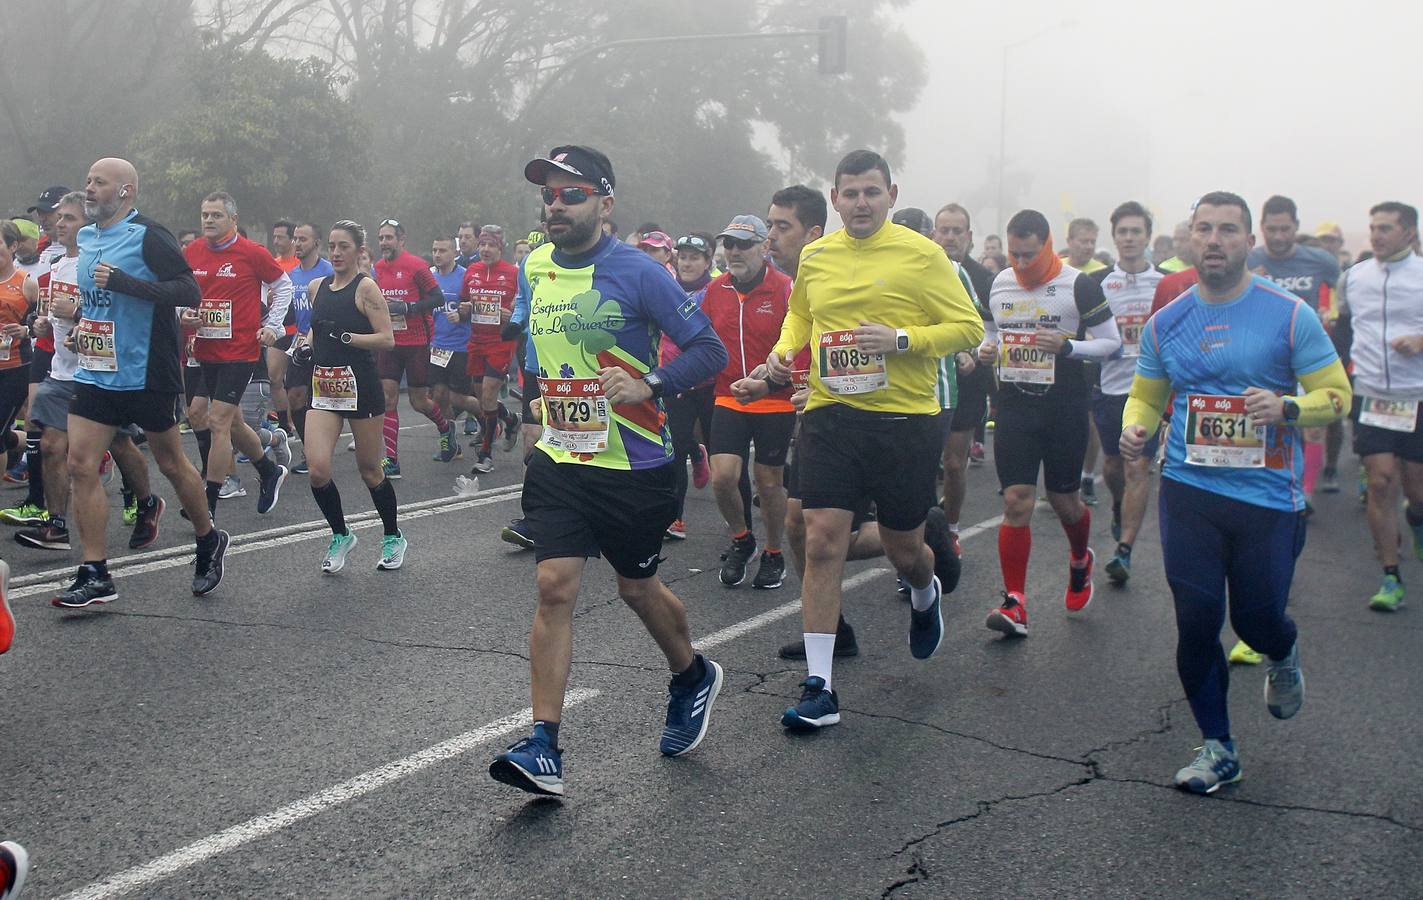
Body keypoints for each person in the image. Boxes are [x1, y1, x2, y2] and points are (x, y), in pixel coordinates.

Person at [489, 145, 729, 797]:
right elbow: (542, 344)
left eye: (572, 194)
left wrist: (647, 382)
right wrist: (540, 394)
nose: (556, 205)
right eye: (548, 194)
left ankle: (691, 676)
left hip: (635, 465)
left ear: (604, 203)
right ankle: (544, 746)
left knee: (635, 589)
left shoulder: (639, 273)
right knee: (554, 585)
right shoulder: (533, 265)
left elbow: (710, 349)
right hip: (564, 456)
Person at [1121, 191, 1349, 794]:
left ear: (1249, 242)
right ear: (1190, 240)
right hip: (1190, 489)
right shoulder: (1167, 321)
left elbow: (1337, 394)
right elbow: (1147, 393)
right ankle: (1218, 747)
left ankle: (1283, 647)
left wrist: (1288, 406)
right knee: (1197, 621)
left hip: (1267, 499)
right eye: (1205, 229)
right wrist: (1135, 427)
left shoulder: (1288, 313)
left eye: (1228, 230)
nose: (1215, 240)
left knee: (1258, 619)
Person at [765, 150, 982, 730]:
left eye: (872, 192)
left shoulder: (923, 255)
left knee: (902, 545)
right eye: (850, 193)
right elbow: (801, 318)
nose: (861, 203)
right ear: (834, 199)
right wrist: (784, 351)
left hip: (904, 422)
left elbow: (968, 327)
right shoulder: (817, 255)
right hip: (832, 416)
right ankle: (819, 686)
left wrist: (902, 338)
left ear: (890, 193)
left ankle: (924, 590)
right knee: (821, 540)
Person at [54, 157, 228, 608]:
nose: (89, 188)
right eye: (87, 180)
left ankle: (208, 539)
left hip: (146, 369)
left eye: (99, 182)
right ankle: (95, 572)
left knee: (171, 464)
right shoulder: (88, 237)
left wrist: (129, 283)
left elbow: (188, 292)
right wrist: (82, 326)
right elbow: (99, 300)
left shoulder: (149, 236)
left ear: (125, 191)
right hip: (96, 369)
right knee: (79, 464)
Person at [980, 209, 1121, 637]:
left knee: (1064, 502)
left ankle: (1080, 558)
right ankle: (1015, 603)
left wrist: (1068, 346)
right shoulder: (1000, 282)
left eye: (1029, 255)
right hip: (1015, 405)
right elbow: (990, 334)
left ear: (1046, 245)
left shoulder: (1078, 284)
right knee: (1017, 500)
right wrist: (985, 351)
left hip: (1064, 405)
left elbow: (1111, 344)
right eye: (1015, 255)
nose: (1021, 265)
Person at [14, 193, 163, 552]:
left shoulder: (103, 261)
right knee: (51, 444)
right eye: (58, 218)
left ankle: (146, 502)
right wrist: (45, 324)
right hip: (63, 372)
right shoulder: (55, 262)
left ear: (88, 225)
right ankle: (57, 526)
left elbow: (114, 311)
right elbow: (54, 315)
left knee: (119, 443)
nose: (59, 224)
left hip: (100, 372)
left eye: (68, 218)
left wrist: (80, 318)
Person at [299, 220, 405, 572]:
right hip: (325, 387)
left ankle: (392, 536)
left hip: (360, 385)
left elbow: (387, 338)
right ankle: (340, 534)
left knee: (370, 469)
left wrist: (348, 338)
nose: (336, 252)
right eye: (332, 245)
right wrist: (304, 346)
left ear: (359, 252)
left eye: (343, 246)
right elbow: (316, 332)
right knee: (317, 469)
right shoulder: (317, 287)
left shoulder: (366, 288)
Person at [181, 192, 292, 521]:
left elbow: (283, 286)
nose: (209, 221)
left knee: (218, 422)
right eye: (205, 215)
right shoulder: (193, 251)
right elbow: (184, 293)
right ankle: (268, 471)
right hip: (207, 350)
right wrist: (184, 319)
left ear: (233, 219)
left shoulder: (250, 252)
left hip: (241, 352)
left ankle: (208, 505)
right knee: (212, 416)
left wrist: (273, 326)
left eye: (216, 215)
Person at [1336, 202, 1423, 612]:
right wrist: (1334, 381)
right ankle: (1391, 576)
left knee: (1416, 491)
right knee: (1381, 480)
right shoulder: (1353, 277)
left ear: (1408, 233)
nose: (1376, 235)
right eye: (1372, 227)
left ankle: (1417, 519)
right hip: (1370, 393)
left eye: (1385, 228)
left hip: (1417, 395)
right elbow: (1343, 329)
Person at [701, 215, 795, 589]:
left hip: (775, 398)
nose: (735, 252)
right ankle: (742, 539)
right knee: (723, 478)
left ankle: (774, 552)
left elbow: (800, 341)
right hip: (729, 395)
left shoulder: (784, 287)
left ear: (764, 247)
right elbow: (699, 338)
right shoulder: (716, 289)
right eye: (730, 244)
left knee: (768, 481)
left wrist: (773, 378)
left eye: (743, 244)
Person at [1248, 196, 1343, 505]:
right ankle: (1268, 482)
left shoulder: (1320, 260)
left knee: (1313, 428)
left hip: (1306, 355)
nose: (1278, 237)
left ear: (1296, 227)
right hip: (1263, 357)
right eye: (1271, 229)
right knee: (1265, 421)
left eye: (1285, 229)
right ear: (1261, 228)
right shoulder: (1249, 259)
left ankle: (1306, 494)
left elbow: (1343, 290)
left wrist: (1332, 311)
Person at [1090, 202, 1165, 584]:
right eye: (1123, 232)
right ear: (1114, 236)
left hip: (1150, 391)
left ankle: (1125, 550)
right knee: (1114, 466)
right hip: (1110, 387)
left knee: (1138, 466)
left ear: (1147, 237)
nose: (1130, 238)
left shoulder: (1166, 283)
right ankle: (1118, 506)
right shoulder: (1099, 283)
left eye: (1137, 232)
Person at [932, 203, 997, 551]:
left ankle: (952, 529)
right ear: (934, 233)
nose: (951, 236)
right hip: (926, 380)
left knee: (954, 463)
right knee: (924, 464)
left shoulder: (985, 279)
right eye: (945, 230)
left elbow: (993, 329)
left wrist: (974, 354)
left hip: (967, 382)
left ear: (969, 237)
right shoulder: (922, 268)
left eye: (958, 231)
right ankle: (922, 531)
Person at [374, 219, 454, 478]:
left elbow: (437, 298)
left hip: (417, 341)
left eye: (389, 238)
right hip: (389, 341)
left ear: (401, 240)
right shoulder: (378, 268)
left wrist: (408, 308)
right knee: (388, 397)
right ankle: (392, 459)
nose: (384, 243)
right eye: (381, 238)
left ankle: (445, 429)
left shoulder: (416, 266)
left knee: (420, 401)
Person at [663, 233, 718, 540]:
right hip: (676, 380)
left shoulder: (716, 290)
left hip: (711, 382)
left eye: (695, 258)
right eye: (683, 257)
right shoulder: (666, 287)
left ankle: (739, 522)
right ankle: (676, 518)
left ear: (707, 262)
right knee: (675, 448)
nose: (687, 263)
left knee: (722, 452)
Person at [457, 224, 521, 473]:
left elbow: (524, 305)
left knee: (488, 392)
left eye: (490, 245)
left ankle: (485, 455)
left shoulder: (513, 273)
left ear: (500, 248)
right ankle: (510, 419)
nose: (485, 249)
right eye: (482, 244)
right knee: (483, 398)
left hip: (500, 342)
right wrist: (464, 310)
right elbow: (464, 302)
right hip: (476, 341)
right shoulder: (471, 271)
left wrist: (512, 313)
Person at [283, 223, 335, 474]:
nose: (297, 243)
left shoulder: (329, 271)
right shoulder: (292, 275)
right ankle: (310, 449)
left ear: (316, 243)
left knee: (322, 400)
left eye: (303, 239)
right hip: (301, 344)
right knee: (294, 396)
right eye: (295, 239)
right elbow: (291, 314)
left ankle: (320, 451)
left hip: (326, 343)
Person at [427, 235, 470, 463]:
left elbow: (477, 307)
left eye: (442, 250)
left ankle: (497, 416)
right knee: (439, 395)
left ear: (454, 252)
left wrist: (464, 313)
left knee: (460, 398)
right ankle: (449, 441)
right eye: (435, 250)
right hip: (437, 346)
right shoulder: (429, 277)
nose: (437, 254)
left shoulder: (465, 276)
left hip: (461, 345)